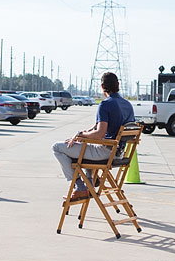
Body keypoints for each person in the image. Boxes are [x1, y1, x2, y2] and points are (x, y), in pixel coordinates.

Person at [52, 72, 135, 201]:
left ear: (102, 87)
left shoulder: (105, 104)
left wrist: (80, 135)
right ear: (118, 85)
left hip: (104, 152)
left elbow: (100, 133)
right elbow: (98, 128)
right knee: (87, 146)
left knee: (57, 147)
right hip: (119, 153)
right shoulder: (128, 105)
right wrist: (82, 134)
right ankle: (89, 183)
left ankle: (80, 188)